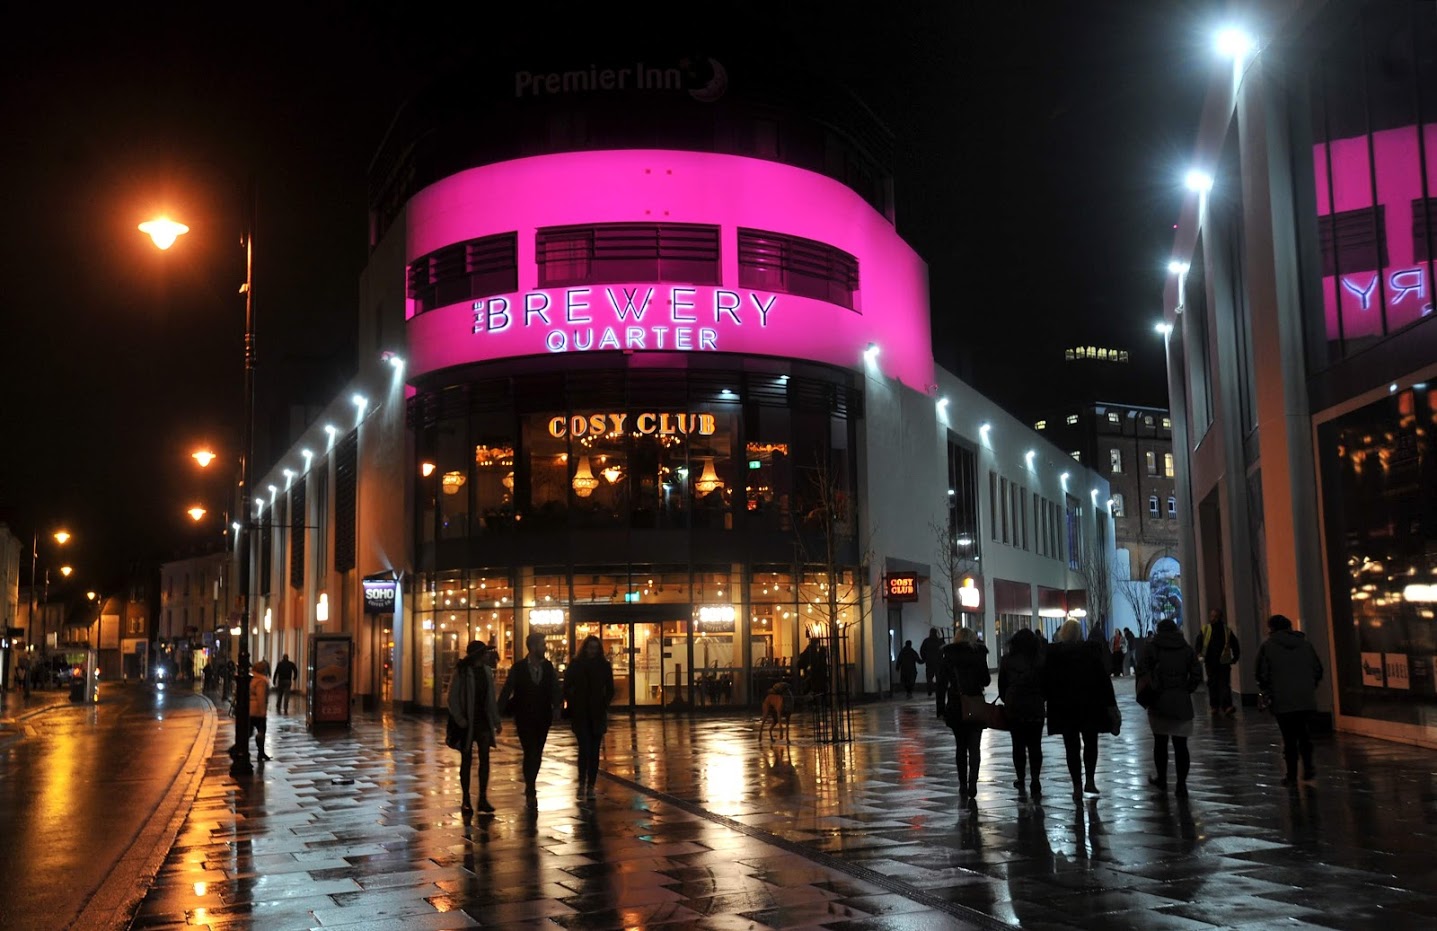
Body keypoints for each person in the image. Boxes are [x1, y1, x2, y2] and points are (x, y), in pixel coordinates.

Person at [1043, 619, 1116, 798]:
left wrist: (1045, 700)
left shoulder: (1054, 655)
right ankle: (1089, 780)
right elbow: (1104, 680)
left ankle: (1076, 784)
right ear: (1079, 633)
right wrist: (1111, 704)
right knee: (1091, 743)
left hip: (1065, 707)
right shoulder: (1090, 652)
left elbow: (1047, 682)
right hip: (1090, 705)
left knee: (1071, 747)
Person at [1137, 619, 1202, 797]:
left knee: (1160, 743)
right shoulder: (1186, 648)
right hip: (1181, 700)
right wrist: (1187, 688)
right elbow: (1197, 672)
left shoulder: (1152, 648)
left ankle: (1162, 779)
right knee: (1181, 745)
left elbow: (1142, 670)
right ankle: (1181, 784)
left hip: (1159, 700)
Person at [1256, 614, 1324, 786]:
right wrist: (1309, 686)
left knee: (1289, 737)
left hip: (1282, 698)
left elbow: (1261, 674)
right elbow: (1318, 669)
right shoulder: (1306, 645)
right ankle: (1308, 767)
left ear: (1271, 628)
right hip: (1305, 697)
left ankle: (1292, 774)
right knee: (1304, 733)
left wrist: (1267, 690)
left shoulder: (1268, 647)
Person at [498, 631, 561, 801]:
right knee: (529, 750)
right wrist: (498, 713)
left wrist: (557, 706)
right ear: (533, 647)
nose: (545, 647)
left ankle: (531, 781)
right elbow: (507, 689)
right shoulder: (518, 668)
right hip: (524, 716)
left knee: (538, 751)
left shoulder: (547, 667)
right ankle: (530, 786)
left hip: (543, 716)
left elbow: (554, 687)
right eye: (542, 645)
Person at [935, 627, 991, 803]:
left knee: (960, 746)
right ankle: (973, 781)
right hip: (974, 703)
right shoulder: (978, 654)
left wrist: (940, 709)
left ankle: (962, 784)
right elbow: (986, 680)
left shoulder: (948, 656)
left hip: (956, 705)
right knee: (975, 747)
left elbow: (941, 684)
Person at [448, 640, 501, 813]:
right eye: (485, 653)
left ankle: (483, 798)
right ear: (478, 655)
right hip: (467, 722)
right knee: (466, 759)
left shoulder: (486, 672)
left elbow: (491, 699)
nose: (488, 655)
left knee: (485, 758)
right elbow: (452, 698)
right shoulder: (462, 672)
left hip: (483, 721)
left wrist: (496, 720)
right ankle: (466, 798)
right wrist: (460, 719)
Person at [564, 634, 615, 800]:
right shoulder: (577, 665)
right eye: (590, 647)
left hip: (596, 712)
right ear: (585, 648)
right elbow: (567, 685)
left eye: (595, 648)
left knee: (593, 752)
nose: (592, 651)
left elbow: (610, 688)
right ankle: (582, 783)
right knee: (585, 749)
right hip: (582, 712)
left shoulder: (603, 666)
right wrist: (573, 702)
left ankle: (590, 785)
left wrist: (604, 703)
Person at [998, 628, 1045, 798]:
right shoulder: (1039, 660)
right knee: (1035, 745)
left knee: (1017, 745)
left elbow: (1002, 685)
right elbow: (1046, 685)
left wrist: (1008, 699)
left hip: (1015, 707)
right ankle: (1035, 778)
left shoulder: (1007, 661)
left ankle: (1020, 777)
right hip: (1035, 707)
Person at [1196, 607, 1240, 715]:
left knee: (1224, 684)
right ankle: (1215, 706)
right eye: (1212, 616)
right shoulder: (1205, 629)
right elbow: (1199, 642)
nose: (1213, 618)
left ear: (1220, 617)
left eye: (1215, 616)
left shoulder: (1226, 630)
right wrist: (1199, 654)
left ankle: (1226, 706)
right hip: (1210, 661)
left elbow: (1235, 644)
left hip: (1223, 662)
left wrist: (1235, 657)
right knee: (1213, 684)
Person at [249, 660, 272, 762]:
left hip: (249, 710)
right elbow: (261, 697)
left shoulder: (250, 678)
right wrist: (263, 712)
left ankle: (260, 753)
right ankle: (261, 753)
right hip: (257, 710)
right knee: (262, 731)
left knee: (249, 732)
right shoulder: (261, 681)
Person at [797, 635, 830, 703]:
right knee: (815, 688)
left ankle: (811, 701)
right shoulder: (812, 651)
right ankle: (813, 701)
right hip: (813, 674)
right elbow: (815, 663)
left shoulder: (809, 650)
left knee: (811, 688)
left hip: (811, 673)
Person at [919, 627, 944, 697]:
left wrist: (924, 658)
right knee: (938, 677)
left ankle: (930, 690)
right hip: (938, 662)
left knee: (929, 677)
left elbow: (922, 651)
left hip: (929, 662)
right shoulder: (939, 641)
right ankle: (938, 690)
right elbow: (943, 650)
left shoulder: (926, 641)